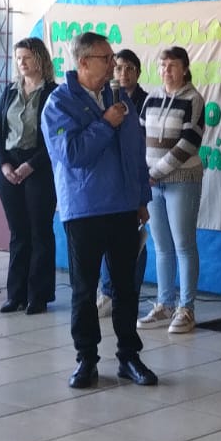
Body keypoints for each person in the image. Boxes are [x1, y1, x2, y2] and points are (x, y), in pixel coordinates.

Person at [41, 30, 158, 390]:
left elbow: (135, 152)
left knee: (126, 287)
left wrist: (141, 199)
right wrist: (105, 124)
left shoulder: (120, 98)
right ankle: (86, 359)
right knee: (84, 289)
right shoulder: (59, 103)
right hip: (84, 208)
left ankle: (129, 357)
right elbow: (72, 154)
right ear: (83, 62)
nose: (113, 65)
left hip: (123, 207)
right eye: (106, 59)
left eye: (113, 58)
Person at [139, 45, 205, 334]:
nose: (167, 70)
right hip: (152, 184)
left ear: (185, 68)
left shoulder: (193, 99)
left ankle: (186, 308)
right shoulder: (151, 97)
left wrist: (154, 173)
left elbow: (189, 143)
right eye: (163, 65)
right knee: (161, 246)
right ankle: (164, 305)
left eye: (173, 65)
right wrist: (144, 174)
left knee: (184, 245)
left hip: (182, 180)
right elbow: (138, 134)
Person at [0, 37, 57, 315]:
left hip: (39, 166)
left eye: (27, 57)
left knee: (39, 231)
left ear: (40, 59)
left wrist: (31, 165)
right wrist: (3, 164)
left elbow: (55, 138)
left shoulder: (53, 93)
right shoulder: (10, 91)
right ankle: (15, 294)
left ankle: (38, 295)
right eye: (18, 58)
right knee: (18, 232)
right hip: (10, 165)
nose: (22, 63)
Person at [97, 48, 148, 318]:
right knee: (107, 241)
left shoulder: (145, 101)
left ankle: (131, 294)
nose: (123, 73)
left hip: (136, 179)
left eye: (129, 68)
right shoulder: (105, 99)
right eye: (118, 68)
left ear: (138, 73)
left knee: (136, 242)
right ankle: (107, 292)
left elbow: (143, 145)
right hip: (110, 184)